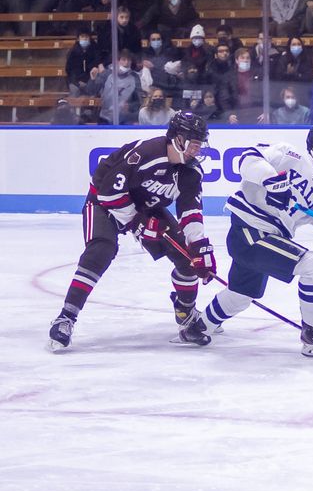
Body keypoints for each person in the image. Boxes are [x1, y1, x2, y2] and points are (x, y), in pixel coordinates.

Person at [180, 124, 313, 358]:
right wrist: (271, 181)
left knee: (241, 295)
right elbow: (248, 158)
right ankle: (312, 333)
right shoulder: (291, 155)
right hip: (249, 230)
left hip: (267, 237)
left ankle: (199, 326)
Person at [47, 111, 217, 352]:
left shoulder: (191, 172)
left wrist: (199, 246)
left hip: (147, 208)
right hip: (104, 203)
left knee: (188, 259)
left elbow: (190, 211)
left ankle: (185, 314)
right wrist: (137, 222)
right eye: (194, 143)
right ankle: (66, 317)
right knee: (101, 250)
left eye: (201, 144)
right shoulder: (145, 154)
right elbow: (108, 192)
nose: (197, 150)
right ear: (178, 138)